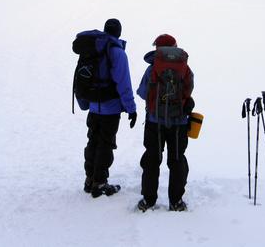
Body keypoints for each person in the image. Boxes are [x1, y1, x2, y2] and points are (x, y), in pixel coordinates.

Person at [72, 18, 137, 198]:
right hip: (110, 107)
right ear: (119, 32)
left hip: (93, 106)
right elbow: (124, 84)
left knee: (92, 141)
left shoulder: (92, 49)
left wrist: (84, 103)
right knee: (105, 144)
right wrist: (131, 109)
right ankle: (99, 183)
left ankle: (89, 179)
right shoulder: (117, 52)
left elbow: (82, 78)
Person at [136, 34, 194, 212]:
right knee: (177, 160)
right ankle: (176, 202)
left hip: (154, 122)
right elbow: (189, 89)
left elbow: (142, 92)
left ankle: (148, 200)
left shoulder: (152, 68)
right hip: (179, 123)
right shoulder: (185, 67)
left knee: (152, 159)